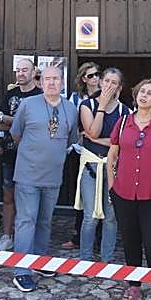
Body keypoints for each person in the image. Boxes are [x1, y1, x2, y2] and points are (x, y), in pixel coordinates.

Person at [107, 77, 151, 300]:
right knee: (130, 240)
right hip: (124, 193)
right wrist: (112, 186)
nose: (144, 95)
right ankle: (134, 284)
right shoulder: (123, 122)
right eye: (141, 91)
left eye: (149, 93)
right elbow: (112, 157)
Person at [10, 66, 79, 293]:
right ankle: (22, 270)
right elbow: (16, 133)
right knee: (26, 220)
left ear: (62, 82)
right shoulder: (28, 105)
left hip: (53, 176)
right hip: (28, 174)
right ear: (40, 82)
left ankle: (39, 262)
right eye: (47, 79)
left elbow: (70, 138)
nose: (51, 83)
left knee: (44, 221)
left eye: (56, 79)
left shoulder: (70, 109)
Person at [77, 67, 128, 262]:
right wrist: (102, 106)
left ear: (119, 87)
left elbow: (120, 141)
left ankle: (106, 259)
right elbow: (95, 130)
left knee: (111, 216)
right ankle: (85, 258)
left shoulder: (125, 111)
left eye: (114, 83)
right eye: (106, 81)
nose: (109, 85)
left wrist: (95, 139)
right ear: (100, 82)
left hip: (114, 166)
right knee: (90, 215)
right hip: (92, 167)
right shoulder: (87, 105)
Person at [0, 58, 41, 251]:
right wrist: (18, 122)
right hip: (9, 153)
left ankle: (29, 238)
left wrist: (10, 120)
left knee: (29, 200)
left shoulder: (41, 95)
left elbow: (37, 126)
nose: (21, 73)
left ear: (33, 73)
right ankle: (7, 236)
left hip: (33, 157)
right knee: (8, 196)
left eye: (25, 70)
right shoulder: (10, 95)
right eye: (18, 70)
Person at [62, 61, 101, 251]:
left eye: (97, 74)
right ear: (84, 79)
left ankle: (100, 239)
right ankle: (78, 236)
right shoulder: (76, 99)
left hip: (103, 152)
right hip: (81, 152)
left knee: (102, 196)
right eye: (91, 75)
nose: (96, 78)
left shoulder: (107, 95)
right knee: (82, 196)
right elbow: (69, 122)